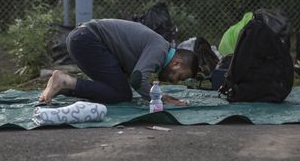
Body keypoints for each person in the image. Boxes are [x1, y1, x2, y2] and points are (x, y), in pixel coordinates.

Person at [39, 19, 199, 105]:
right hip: (86, 40)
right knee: (121, 93)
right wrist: (160, 98)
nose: (175, 80)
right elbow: (137, 79)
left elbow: (131, 78)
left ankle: (61, 87)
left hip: (81, 39)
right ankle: (64, 81)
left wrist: (156, 94)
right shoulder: (160, 49)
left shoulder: (158, 48)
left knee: (116, 90)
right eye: (180, 77)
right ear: (177, 63)